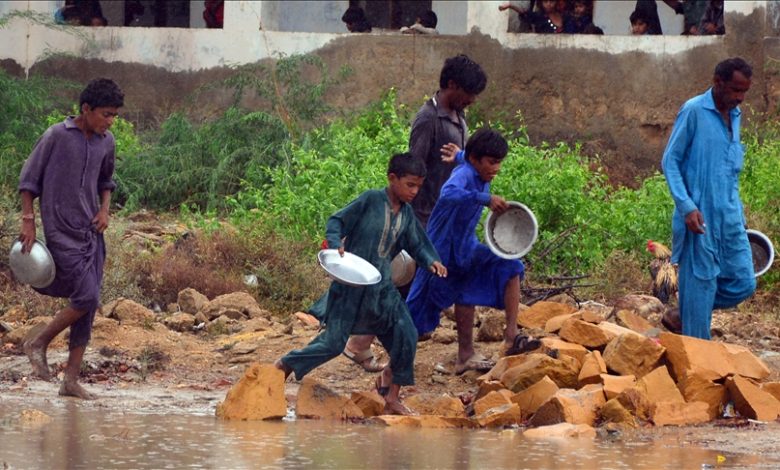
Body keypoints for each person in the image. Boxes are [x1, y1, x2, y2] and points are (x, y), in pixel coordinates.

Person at [275, 153, 447, 416]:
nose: (414, 191)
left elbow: (418, 243)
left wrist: (431, 261)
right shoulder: (370, 200)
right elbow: (336, 221)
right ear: (392, 179)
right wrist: (334, 244)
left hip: (383, 289)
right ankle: (284, 366)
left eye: (418, 186)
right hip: (351, 287)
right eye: (410, 185)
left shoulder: (407, 214)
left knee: (407, 335)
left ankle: (391, 395)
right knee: (332, 344)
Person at [19, 78, 124, 399]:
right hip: (61, 231)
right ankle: (37, 342)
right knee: (87, 297)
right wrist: (28, 221)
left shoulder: (107, 142)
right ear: (86, 109)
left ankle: (71, 381)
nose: (110, 121)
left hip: (92, 232)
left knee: (88, 308)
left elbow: (107, 179)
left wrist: (105, 210)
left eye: (114, 116)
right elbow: (28, 180)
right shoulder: (56, 136)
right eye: (106, 114)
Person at [407, 128, 531, 374]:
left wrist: (461, 154)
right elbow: (449, 192)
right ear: (477, 160)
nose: (496, 169)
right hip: (439, 253)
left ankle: (508, 336)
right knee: (416, 311)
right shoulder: (464, 174)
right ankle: (365, 344)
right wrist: (484, 199)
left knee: (511, 267)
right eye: (492, 163)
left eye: (499, 163)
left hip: (465, 249)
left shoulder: (472, 164)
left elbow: (469, 158)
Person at [661, 57, 756, 340]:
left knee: (744, 282)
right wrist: (687, 206)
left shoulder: (735, 116)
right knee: (700, 285)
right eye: (735, 91)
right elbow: (670, 161)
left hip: (729, 219)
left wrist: (739, 216)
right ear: (718, 83)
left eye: (744, 92)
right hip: (698, 220)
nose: (740, 98)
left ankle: (684, 313)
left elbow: (729, 172)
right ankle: (696, 366)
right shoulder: (693, 111)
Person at [500, 0, 564, 34]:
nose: (548, 4)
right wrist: (510, 6)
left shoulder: (566, 18)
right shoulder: (539, 17)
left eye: (552, 1)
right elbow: (524, 13)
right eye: (545, 1)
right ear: (541, 3)